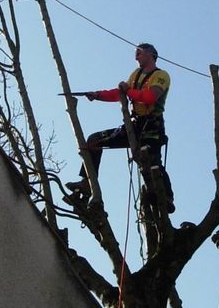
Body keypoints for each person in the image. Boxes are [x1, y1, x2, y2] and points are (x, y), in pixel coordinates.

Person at [67, 43, 175, 213]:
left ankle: (165, 197)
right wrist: (98, 95)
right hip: (134, 125)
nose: (136, 57)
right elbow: (120, 94)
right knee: (94, 140)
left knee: (153, 164)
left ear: (151, 54)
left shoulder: (161, 75)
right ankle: (87, 184)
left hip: (151, 128)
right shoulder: (136, 74)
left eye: (139, 52)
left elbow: (149, 97)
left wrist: (128, 91)